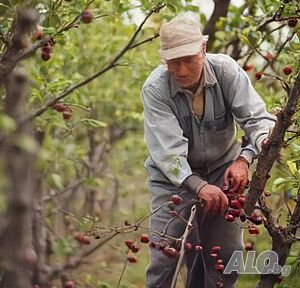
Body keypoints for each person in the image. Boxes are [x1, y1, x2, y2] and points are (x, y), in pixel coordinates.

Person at [141, 15, 276, 288]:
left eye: (187, 59)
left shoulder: (227, 71)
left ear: (203, 49)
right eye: (172, 62)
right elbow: (167, 152)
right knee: (165, 255)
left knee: (223, 258)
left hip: (222, 173)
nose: (180, 70)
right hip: (173, 181)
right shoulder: (155, 88)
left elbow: (259, 122)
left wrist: (244, 159)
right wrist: (198, 186)